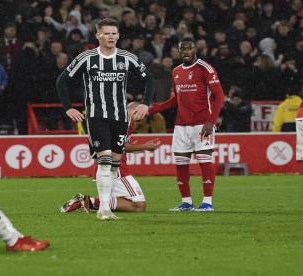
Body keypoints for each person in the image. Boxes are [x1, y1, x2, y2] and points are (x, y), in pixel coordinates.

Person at [56, 18, 155, 220]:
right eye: (106, 33)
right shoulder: (87, 58)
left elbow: (149, 79)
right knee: (105, 160)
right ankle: (104, 210)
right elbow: (62, 80)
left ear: (118, 36)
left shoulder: (127, 57)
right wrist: (68, 108)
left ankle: (102, 206)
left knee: (115, 164)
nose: (110, 37)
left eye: (114, 33)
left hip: (120, 117)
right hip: (96, 116)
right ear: (98, 36)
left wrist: (145, 103)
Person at [148, 37, 225, 212]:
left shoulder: (205, 68)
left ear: (195, 49)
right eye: (183, 49)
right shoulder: (176, 71)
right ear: (178, 51)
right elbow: (176, 99)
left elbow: (219, 96)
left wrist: (211, 122)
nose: (186, 52)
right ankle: (186, 202)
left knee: (204, 161)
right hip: (181, 124)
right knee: (181, 163)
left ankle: (207, 202)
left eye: (189, 48)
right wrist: (151, 110)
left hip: (202, 123)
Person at [59, 102, 160, 213]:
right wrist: (144, 146)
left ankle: (86, 201)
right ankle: (87, 201)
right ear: (135, 111)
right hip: (117, 168)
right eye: (143, 115)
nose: (143, 119)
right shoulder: (123, 122)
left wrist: (136, 148)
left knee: (131, 204)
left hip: (108, 165)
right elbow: (116, 145)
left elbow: (117, 145)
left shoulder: (124, 121)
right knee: (139, 206)